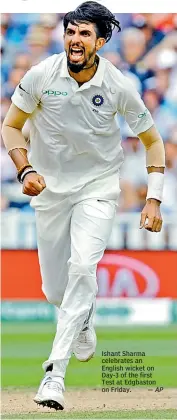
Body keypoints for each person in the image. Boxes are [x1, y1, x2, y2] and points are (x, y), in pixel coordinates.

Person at [2, 1, 165, 411]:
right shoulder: (41, 75)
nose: (75, 40)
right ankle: (84, 318)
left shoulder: (120, 85)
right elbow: (11, 126)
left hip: (97, 187)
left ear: (102, 41)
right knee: (56, 289)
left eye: (85, 33)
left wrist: (154, 197)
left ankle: (54, 376)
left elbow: (153, 141)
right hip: (49, 192)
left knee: (82, 268)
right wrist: (25, 171)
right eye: (71, 31)